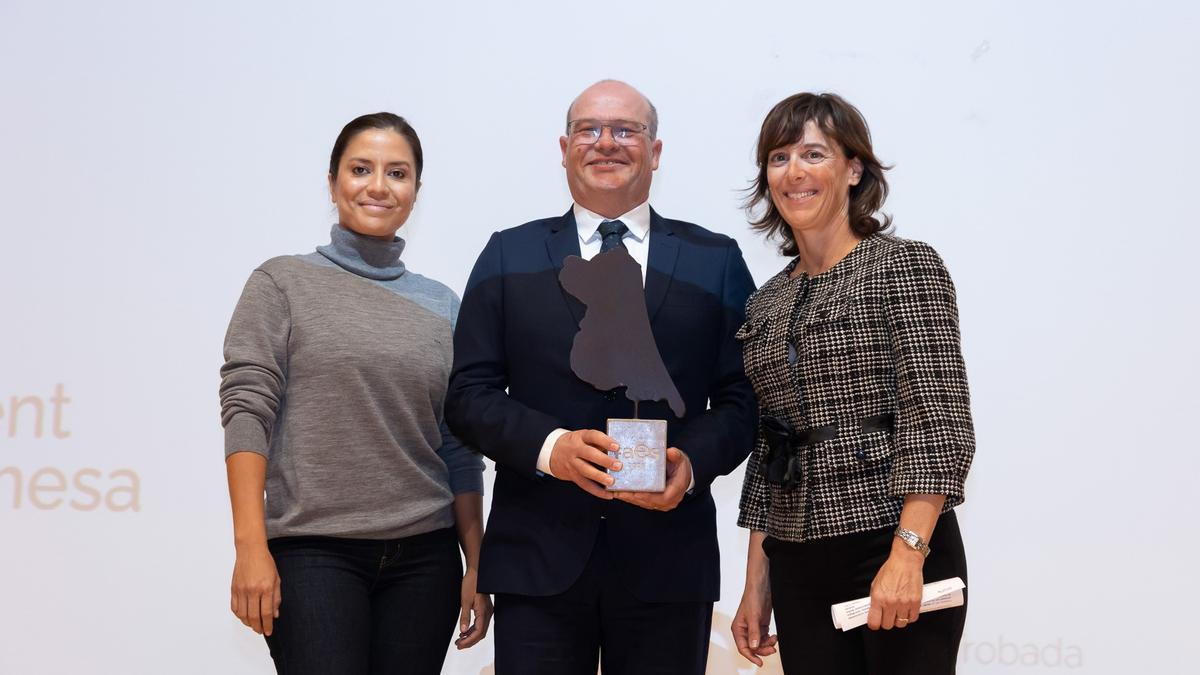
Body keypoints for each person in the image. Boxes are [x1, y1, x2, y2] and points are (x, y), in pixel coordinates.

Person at [445, 80, 757, 675]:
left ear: (655, 152)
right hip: (537, 558)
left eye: (625, 130)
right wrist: (551, 448)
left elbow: (743, 399)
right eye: (588, 129)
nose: (606, 142)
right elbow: (467, 395)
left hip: (670, 561)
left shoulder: (714, 260)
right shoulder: (508, 254)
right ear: (564, 149)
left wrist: (691, 465)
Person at [219, 112, 490, 674]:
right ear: (332, 181)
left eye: (397, 173)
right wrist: (250, 547)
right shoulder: (281, 283)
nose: (378, 186)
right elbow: (247, 411)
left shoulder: (442, 305)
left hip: (426, 559)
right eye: (361, 169)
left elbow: (458, 445)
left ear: (416, 190)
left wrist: (476, 563)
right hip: (312, 551)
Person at [730, 93, 975, 674]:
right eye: (779, 158)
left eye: (813, 154)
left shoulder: (903, 266)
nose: (794, 172)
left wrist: (908, 554)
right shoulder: (766, 302)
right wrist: (756, 582)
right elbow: (771, 447)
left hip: (890, 539)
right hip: (797, 563)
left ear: (854, 169)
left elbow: (937, 419)